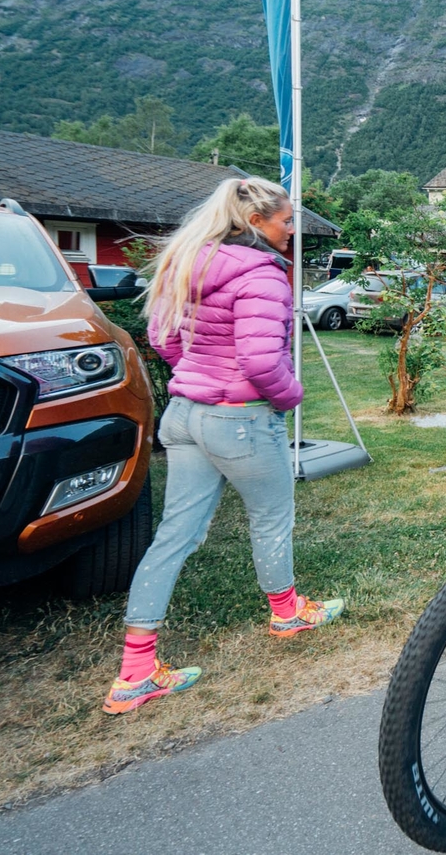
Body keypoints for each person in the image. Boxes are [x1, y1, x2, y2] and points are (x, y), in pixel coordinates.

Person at [102, 177, 343, 715]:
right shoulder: (261, 274)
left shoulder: (189, 261)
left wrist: (199, 373)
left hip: (185, 414)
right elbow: (260, 362)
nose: (292, 230)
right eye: (286, 221)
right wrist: (291, 395)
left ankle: (135, 672)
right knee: (272, 519)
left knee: (174, 536)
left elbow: (162, 338)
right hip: (240, 419)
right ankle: (287, 613)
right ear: (256, 222)